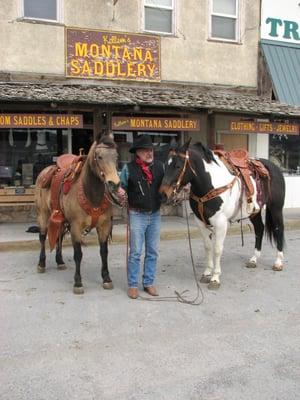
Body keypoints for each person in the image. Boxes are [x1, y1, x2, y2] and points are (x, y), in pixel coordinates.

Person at [120, 135, 165, 299]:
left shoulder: (160, 167)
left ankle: (148, 282)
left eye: (150, 150)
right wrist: (120, 190)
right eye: (145, 150)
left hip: (155, 214)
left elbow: (168, 184)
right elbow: (118, 185)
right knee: (136, 252)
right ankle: (132, 285)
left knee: (152, 251)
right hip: (136, 214)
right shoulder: (128, 168)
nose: (149, 153)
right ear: (137, 153)